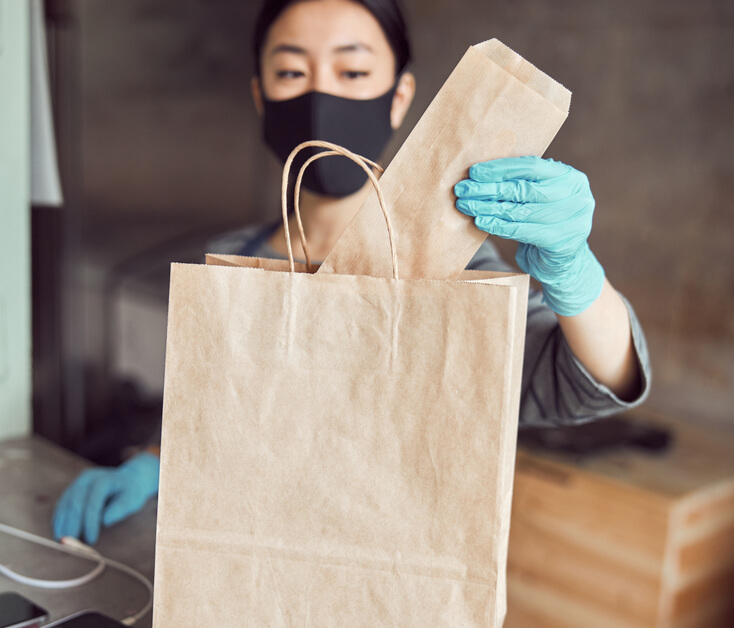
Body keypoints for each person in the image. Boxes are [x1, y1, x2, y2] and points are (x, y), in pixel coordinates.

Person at [53, 0, 651, 544]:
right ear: (261, 95)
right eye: (292, 72)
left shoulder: (448, 268)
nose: (321, 98)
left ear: (399, 96)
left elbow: (587, 381)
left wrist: (574, 272)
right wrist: (154, 461)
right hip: (243, 566)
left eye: (353, 72)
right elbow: (219, 416)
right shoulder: (232, 256)